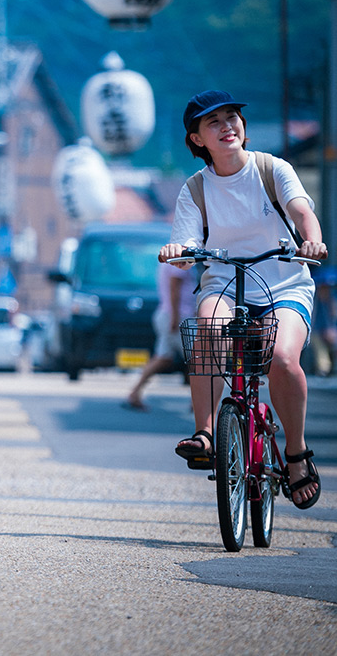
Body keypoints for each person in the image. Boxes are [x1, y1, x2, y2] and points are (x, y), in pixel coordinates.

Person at [159, 90, 327, 509]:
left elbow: (302, 211)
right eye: (213, 122)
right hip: (225, 284)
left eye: (232, 117)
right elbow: (185, 241)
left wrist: (313, 241)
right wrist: (177, 253)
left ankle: (296, 451)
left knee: (283, 360)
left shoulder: (273, 169)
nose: (226, 126)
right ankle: (205, 432)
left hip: (284, 284)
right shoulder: (195, 189)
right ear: (197, 139)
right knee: (207, 328)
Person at [124, 261, 197, 410]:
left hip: (170, 314)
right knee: (197, 359)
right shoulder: (180, 259)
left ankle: (135, 392)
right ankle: (198, 401)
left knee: (164, 357)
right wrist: (175, 317)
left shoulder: (170, 260)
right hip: (179, 316)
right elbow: (174, 288)